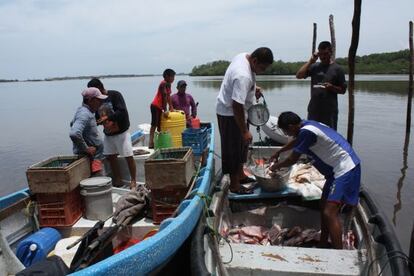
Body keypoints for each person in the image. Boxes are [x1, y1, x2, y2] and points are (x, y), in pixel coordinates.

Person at [269, 111, 361, 249]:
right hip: (335, 172)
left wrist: (276, 166)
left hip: (345, 169)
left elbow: (292, 159)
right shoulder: (307, 125)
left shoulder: (307, 132)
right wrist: (279, 151)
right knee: (323, 206)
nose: (287, 135)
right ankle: (323, 243)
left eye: (286, 131)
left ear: (291, 126)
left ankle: (340, 255)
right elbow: (296, 141)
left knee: (329, 212)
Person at [216, 47, 274, 194]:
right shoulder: (243, 76)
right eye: (262, 68)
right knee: (233, 149)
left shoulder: (243, 56)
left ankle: (241, 175)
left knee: (242, 145)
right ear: (254, 60)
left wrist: (253, 88)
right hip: (230, 114)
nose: (262, 71)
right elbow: (236, 105)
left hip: (240, 112)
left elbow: (240, 87)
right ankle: (234, 185)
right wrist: (244, 131)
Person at [87, 78, 137, 190]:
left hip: (122, 133)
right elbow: (96, 117)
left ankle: (133, 180)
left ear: (101, 87)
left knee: (128, 156)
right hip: (108, 134)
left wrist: (108, 118)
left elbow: (122, 111)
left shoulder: (115, 95)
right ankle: (117, 178)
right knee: (111, 156)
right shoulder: (96, 101)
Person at [296, 41, 347, 130]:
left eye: (325, 54)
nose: (322, 57)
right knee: (312, 135)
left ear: (331, 52)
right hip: (314, 109)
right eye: (320, 54)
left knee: (330, 136)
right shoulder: (314, 67)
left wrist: (332, 87)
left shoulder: (337, 69)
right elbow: (299, 75)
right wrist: (311, 61)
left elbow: (343, 90)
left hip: (330, 112)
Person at [69, 87, 107, 175]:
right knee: (100, 183)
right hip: (91, 159)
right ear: (90, 100)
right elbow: (74, 133)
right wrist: (86, 148)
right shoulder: (84, 114)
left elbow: (72, 124)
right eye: (99, 100)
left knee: (100, 182)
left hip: (95, 159)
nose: (101, 103)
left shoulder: (84, 111)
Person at [149, 69, 176, 148]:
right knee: (154, 124)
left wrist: (171, 107)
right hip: (155, 106)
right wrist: (165, 110)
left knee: (160, 125)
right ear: (167, 76)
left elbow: (168, 97)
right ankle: (151, 142)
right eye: (172, 77)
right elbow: (164, 96)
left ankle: (160, 142)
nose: (173, 79)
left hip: (160, 107)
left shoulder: (169, 85)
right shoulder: (163, 83)